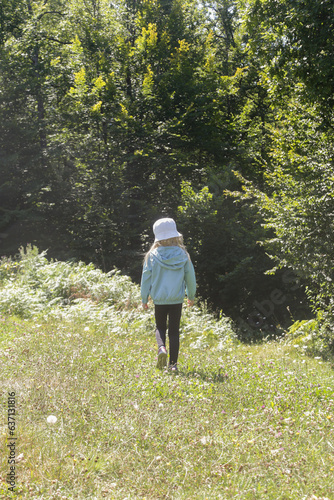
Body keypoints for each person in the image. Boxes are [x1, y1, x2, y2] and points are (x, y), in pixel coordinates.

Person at [141, 218, 196, 371]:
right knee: (174, 331)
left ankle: (161, 348)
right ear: (175, 235)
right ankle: (173, 365)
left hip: (159, 299)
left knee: (160, 327)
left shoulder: (151, 256)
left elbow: (145, 279)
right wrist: (190, 295)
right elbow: (190, 278)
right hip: (176, 299)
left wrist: (144, 298)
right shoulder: (183, 254)